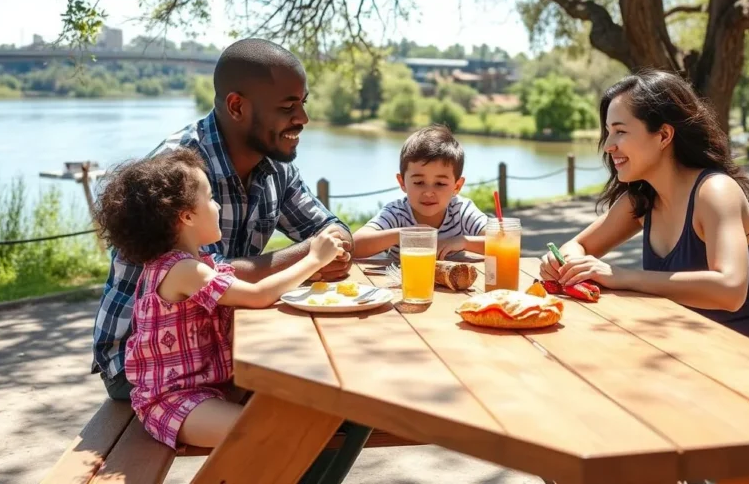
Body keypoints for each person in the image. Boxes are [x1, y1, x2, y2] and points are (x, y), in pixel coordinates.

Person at [93, 38, 353, 400]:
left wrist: (331, 246)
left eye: (303, 103)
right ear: (236, 107)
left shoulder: (274, 163)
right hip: (143, 364)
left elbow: (332, 228)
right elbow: (211, 279)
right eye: (288, 106)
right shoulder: (179, 174)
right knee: (317, 394)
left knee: (344, 374)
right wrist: (312, 258)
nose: (303, 119)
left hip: (214, 345)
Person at [540, 70, 749, 367]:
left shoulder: (715, 192)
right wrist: (563, 264)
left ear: (664, 135)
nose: (608, 145)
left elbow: (730, 289)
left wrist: (622, 276)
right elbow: (576, 246)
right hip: (708, 357)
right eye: (608, 132)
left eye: (620, 131)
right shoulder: (642, 199)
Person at [94, 148, 346, 449]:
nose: (217, 206)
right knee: (267, 436)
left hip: (207, 388)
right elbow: (257, 295)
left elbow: (253, 287)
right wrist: (314, 259)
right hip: (175, 401)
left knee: (301, 418)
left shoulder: (199, 263)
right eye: (211, 198)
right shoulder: (182, 270)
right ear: (187, 216)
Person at [353, 125, 489, 259]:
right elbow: (353, 245)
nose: (429, 192)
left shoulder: (462, 210)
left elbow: (504, 242)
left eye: (440, 184)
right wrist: (403, 234)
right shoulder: (397, 212)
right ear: (402, 182)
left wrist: (464, 242)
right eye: (419, 183)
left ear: (457, 186)